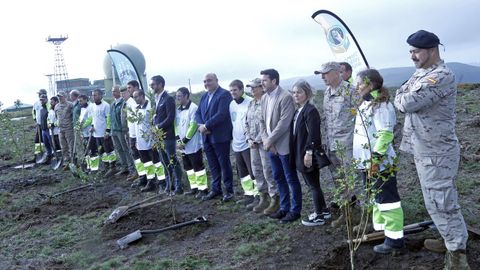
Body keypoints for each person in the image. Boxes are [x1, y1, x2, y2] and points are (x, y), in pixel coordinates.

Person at [394, 30, 470, 269]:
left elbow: (406, 102)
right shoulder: (422, 74)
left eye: (415, 51)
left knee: (442, 203)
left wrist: (401, 94)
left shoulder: (440, 76)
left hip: (437, 152)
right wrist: (402, 93)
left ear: (432, 50)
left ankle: (457, 255)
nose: (412, 56)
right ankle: (449, 239)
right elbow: (402, 95)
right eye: (410, 51)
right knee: (434, 201)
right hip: (425, 149)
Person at [354, 69, 404, 254]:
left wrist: (375, 160)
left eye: (359, 83)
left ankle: (395, 241)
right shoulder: (367, 104)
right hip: (366, 163)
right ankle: (383, 232)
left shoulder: (381, 106)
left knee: (387, 201)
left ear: (371, 84)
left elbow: (385, 135)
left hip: (379, 164)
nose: (356, 86)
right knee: (377, 199)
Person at [314, 61, 356, 227]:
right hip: (332, 145)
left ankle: (364, 214)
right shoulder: (326, 92)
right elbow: (327, 119)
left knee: (354, 181)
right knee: (339, 181)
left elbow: (362, 117)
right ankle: (347, 212)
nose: (323, 77)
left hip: (349, 144)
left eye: (325, 73)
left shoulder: (351, 91)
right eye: (321, 74)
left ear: (337, 72)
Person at [260, 68, 302, 224]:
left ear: (274, 81)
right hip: (271, 147)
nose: (261, 83)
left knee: (290, 178)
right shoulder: (264, 98)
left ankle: (295, 210)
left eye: (264, 80)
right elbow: (261, 122)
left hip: (284, 146)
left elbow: (284, 123)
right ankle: (284, 208)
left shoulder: (286, 97)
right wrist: (267, 141)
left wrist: (269, 141)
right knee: (278, 177)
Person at [289, 80, 331, 226]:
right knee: (313, 184)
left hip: (307, 153)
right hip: (300, 152)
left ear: (307, 93)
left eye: (299, 92)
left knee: (313, 185)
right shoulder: (299, 110)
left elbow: (314, 134)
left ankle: (319, 216)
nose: (296, 95)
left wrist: (309, 152)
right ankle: (324, 210)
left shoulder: (310, 110)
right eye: (294, 93)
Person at [195, 73, 234, 202]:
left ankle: (229, 191)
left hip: (220, 136)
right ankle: (216, 189)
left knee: (224, 165)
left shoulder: (224, 94)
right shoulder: (204, 96)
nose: (207, 84)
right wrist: (201, 125)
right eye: (205, 81)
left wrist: (206, 126)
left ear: (217, 80)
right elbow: (198, 112)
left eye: (209, 81)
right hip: (206, 137)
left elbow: (222, 114)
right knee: (213, 165)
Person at [245, 78, 279, 215]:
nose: (252, 90)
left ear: (261, 87)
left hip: (264, 143)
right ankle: (262, 196)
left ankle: (274, 198)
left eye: (254, 87)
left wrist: (258, 139)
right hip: (253, 143)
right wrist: (249, 139)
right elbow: (246, 123)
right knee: (256, 169)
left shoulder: (267, 102)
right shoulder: (251, 103)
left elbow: (267, 124)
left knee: (268, 170)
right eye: (251, 88)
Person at [151, 75, 183, 194]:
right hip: (159, 137)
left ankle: (179, 186)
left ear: (160, 84)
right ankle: (170, 185)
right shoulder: (157, 98)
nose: (151, 86)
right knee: (164, 161)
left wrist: (158, 127)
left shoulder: (168, 99)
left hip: (168, 136)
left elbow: (170, 118)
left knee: (172, 160)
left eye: (153, 84)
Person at [175, 87, 209, 198]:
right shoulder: (178, 109)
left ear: (186, 96)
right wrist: (178, 140)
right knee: (188, 167)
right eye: (177, 96)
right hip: (182, 145)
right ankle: (194, 188)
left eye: (179, 96)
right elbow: (175, 125)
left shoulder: (194, 108)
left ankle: (203, 189)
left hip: (193, 144)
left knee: (197, 167)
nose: (177, 98)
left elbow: (193, 126)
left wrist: (184, 141)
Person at [229, 80, 256, 209]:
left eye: (235, 90)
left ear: (241, 90)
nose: (233, 93)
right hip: (236, 143)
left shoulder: (250, 102)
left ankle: (258, 196)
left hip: (248, 143)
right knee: (242, 172)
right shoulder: (231, 105)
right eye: (231, 90)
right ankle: (248, 194)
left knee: (253, 170)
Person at [130, 89, 161, 192]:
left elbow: (154, 124)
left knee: (156, 162)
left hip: (151, 141)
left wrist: (155, 139)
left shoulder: (150, 107)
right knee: (146, 163)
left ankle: (162, 182)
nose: (135, 99)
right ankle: (150, 181)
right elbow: (135, 125)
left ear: (142, 96)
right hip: (140, 141)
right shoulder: (136, 108)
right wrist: (134, 138)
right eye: (133, 97)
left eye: (136, 97)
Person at [109, 85, 136, 178]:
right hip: (114, 130)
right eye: (112, 91)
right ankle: (124, 167)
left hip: (122, 130)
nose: (114, 93)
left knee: (126, 149)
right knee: (119, 149)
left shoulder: (124, 103)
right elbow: (110, 117)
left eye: (115, 91)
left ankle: (131, 168)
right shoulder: (112, 104)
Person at [89, 89, 116, 173]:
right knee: (101, 150)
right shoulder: (92, 106)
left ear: (101, 96)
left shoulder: (106, 105)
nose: (94, 97)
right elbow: (93, 118)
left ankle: (113, 166)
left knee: (109, 150)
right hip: (96, 133)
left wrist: (107, 131)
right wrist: (92, 126)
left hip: (104, 133)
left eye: (95, 95)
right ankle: (106, 165)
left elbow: (108, 119)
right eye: (93, 95)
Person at [125, 80, 142, 181]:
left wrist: (136, 135)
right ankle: (140, 174)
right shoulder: (130, 101)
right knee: (135, 156)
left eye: (129, 88)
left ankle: (142, 175)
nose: (128, 90)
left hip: (138, 134)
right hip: (132, 133)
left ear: (136, 87)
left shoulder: (139, 100)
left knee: (141, 156)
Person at [55, 91, 74, 169]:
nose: (59, 98)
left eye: (61, 96)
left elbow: (74, 116)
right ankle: (66, 161)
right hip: (60, 129)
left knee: (71, 145)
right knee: (63, 147)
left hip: (69, 128)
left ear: (65, 97)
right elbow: (57, 117)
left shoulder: (70, 105)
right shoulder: (56, 106)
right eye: (58, 96)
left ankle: (73, 160)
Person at [77, 95, 93, 170]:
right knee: (85, 149)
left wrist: (81, 126)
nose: (80, 102)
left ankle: (93, 166)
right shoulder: (82, 108)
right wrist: (77, 125)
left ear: (86, 100)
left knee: (90, 149)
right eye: (79, 101)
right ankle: (88, 164)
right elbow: (81, 118)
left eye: (81, 101)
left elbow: (90, 119)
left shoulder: (90, 107)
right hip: (84, 132)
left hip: (90, 132)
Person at [32, 89, 48, 160]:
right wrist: (35, 120)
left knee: (47, 140)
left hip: (46, 124)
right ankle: (38, 154)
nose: (39, 95)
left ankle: (49, 154)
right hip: (38, 124)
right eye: (39, 94)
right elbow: (33, 112)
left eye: (40, 94)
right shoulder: (36, 103)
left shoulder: (48, 102)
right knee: (37, 140)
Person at [38, 94, 53, 164]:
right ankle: (49, 157)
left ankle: (54, 157)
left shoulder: (49, 107)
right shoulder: (41, 109)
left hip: (49, 129)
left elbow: (51, 117)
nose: (41, 101)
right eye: (40, 100)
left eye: (43, 100)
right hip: (43, 129)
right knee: (46, 144)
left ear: (46, 99)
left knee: (51, 143)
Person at [70, 89, 82, 164]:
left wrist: (78, 125)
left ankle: (82, 159)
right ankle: (80, 158)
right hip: (75, 126)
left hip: (79, 127)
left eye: (71, 95)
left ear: (74, 96)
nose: (70, 97)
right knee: (77, 143)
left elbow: (81, 115)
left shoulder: (79, 104)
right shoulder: (73, 104)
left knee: (80, 143)